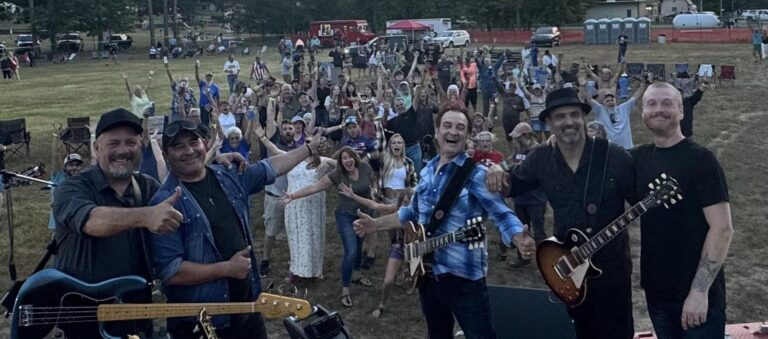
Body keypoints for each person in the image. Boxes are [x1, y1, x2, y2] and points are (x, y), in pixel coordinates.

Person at [353, 103, 535, 338]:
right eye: (447, 125)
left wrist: (519, 236)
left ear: (468, 136)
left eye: (460, 127)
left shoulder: (476, 174)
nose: (453, 131)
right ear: (437, 132)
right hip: (428, 276)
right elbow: (410, 214)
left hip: (466, 280)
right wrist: (374, 224)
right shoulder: (427, 170)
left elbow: (501, 213)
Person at [486, 88, 636, 339]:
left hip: (612, 272)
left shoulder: (614, 156)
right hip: (568, 271)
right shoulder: (541, 158)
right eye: (560, 116)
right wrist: (494, 170)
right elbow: (512, 185)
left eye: (574, 114)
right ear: (548, 122)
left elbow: (641, 198)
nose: (568, 122)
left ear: (583, 118)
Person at [149, 120, 321, 338]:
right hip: (203, 322)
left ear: (205, 144)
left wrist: (308, 148)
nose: (189, 151)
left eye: (194, 142)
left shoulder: (229, 175)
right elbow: (170, 271)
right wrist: (226, 269)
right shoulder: (164, 203)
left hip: (248, 307)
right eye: (178, 146)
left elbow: (272, 166)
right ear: (165, 155)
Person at [52, 109, 184, 338]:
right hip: (82, 317)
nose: (123, 150)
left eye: (131, 142)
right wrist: (145, 216)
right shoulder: (72, 188)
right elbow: (91, 221)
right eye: (113, 143)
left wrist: (215, 166)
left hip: (135, 315)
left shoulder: (148, 187)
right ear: (97, 148)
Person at [632, 82, 732, 339]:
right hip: (657, 294)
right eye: (651, 103)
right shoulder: (638, 159)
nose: (659, 109)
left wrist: (699, 293)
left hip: (698, 297)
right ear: (643, 113)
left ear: (681, 111)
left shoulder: (701, 160)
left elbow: (722, 228)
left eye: (667, 103)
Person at [283, 147, 377, 307]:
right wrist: (293, 195)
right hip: (345, 216)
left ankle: (357, 274)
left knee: (360, 245)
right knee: (351, 251)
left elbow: (373, 182)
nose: (347, 161)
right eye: (343, 159)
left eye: (350, 157)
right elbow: (314, 187)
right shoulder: (337, 175)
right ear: (340, 162)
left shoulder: (365, 168)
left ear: (355, 158)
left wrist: (374, 191)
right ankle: (345, 290)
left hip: (363, 215)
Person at [579, 76, 648, 150]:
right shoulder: (600, 110)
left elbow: (635, 96)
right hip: (609, 149)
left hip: (627, 147)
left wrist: (643, 84)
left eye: (612, 100)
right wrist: (583, 86)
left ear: (615, 100)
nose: (610, 102)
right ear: (603, 102)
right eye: (607, 101)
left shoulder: (624, 108)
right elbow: (589, 99)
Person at [47, 154, 84, 235]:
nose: (74, 168)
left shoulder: (83, 179)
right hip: (61, 212)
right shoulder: (59, 178)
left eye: (77, 165)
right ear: (65, 167)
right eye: (71, 165)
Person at [196, 62, 221, 127]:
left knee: (214, 121)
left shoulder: (215, 87)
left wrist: (218, 108)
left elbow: (218, 98)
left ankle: (214, 131)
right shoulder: (202, 84)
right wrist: (196, 68)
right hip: (203, 106)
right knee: (204, 122)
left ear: (212, 77)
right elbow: (197, 77)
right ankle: (205, 131)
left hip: (211, 107)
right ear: (205, 77)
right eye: (207, 76)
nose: (209, 78)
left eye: (210, 76)